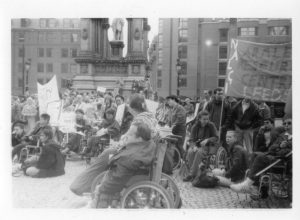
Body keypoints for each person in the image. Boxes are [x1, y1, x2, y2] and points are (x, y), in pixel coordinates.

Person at [69, 94, 158, 196]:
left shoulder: (139, 120)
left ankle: (81, 186)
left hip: (136, 150)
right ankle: (91, 183)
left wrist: (117, 145)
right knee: (107, 152)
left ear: (132, 108)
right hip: (144, 149)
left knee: (106, 154)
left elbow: (128, 138)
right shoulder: (150, 116)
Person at [90, 121, 156, 208]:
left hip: (120, 181)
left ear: (139, 138)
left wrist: (101, 188)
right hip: (133, 172)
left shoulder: (130, 157)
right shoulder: (146, 144)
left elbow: (117, 179)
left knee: (100, 190)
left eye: (130, 134)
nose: (126, 136)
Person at [230, 117, 292, 194]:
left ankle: (247, 185)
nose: (286, 125)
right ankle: (254, 186)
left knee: (260, 157)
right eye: (284, 123)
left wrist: (284, 147)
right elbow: (271, 148)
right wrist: (279, 146)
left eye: (289, 123)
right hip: (273, 155)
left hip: (282, 161)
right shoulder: (282, 135)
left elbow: (286, 153)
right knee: (255, 154)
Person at [183, 110, 218, 182]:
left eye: (207, 119)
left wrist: (208, 140)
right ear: (199, 119)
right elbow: (191, 139)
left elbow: (216, 137)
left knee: (199, 152)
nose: (206, 121)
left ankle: (191, 174)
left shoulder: (211, 125)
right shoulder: (195, 126)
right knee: (190, 152)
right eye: (204, 119)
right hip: (196, 146)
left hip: (208, 147)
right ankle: (195, 174)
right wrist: (193, 146)